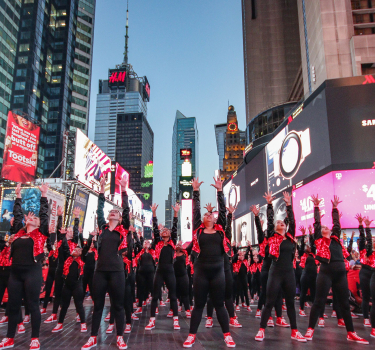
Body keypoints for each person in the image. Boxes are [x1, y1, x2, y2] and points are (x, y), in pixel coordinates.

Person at [304, 195, 369, 344]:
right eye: (325, 228)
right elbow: (317, 223)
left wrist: (334, 208)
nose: (328, 228)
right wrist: (316, 207)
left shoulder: (335, 238)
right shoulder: (320, 240)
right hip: (325, 273)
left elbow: (337, 224)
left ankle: (351, 332)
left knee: (345, 304)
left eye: (329, 227)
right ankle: (310, 329)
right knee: (318, 302)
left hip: (340, 275)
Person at [183, 177, 236, 348]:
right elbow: (195, 210)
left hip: (218, 272)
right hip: (201, 272)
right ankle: (191, 335)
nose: (207, 215)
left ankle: (227, 335)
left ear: (214, 220)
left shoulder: (220, 230)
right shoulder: (198, 229)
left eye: (210, 215)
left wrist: (220, 191)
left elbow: (222, 212)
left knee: (219, 305)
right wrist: (195, 191)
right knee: (198, 305)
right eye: (206, 215)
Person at [0, 182, 50, 350]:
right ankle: (9, 338)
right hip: (15, 273)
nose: (31, 217)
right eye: (29, 216)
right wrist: (18, 196)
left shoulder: (41, 233)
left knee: (33, 305)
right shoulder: (18, 232)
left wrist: (44, 195)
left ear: (38, 224)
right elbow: (17, 212)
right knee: (13, 306)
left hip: (32, 273)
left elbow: (44, 215)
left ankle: (35, 338)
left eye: (34, 218)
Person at [81, 176, 129, 350]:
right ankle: (93, 337)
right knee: (98, 306)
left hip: (117, 272)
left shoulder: (122, 229)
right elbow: (100, 209)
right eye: (112, 212)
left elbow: (126, 209)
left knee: (118, 306)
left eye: (116, 212)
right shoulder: (102, 228)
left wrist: (123, 190)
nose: (113, 212)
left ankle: (120, 337)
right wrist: (102, 189)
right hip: (99, 272)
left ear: (120, 218)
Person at [255, 191, 306, 342]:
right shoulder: (272, 237)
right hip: (275, 272)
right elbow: (270, 221)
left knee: (290, 303)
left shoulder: (290, 237)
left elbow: (293, 220)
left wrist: (289, 204)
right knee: (269, 302)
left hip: (289, 273)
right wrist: (269, 204)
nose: (280, 223)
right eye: (278, 223)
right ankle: (261, 330)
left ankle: (295, 331)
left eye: (282, 222)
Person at [250, 204, 288, 327]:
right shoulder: (263, 241)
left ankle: (279, 317)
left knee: (278, 294)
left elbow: (282, 226)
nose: (268, 233)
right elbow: (259, 230)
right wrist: (256, 217)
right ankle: (269, 316)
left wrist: (288, 215)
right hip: (266, 270)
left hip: (277, 268)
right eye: (266, 232)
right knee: (267, 293)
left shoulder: (275, 239)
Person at [145, 202, 180, 331]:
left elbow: (175, 227)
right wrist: (154, 213)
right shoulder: (158, 243)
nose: (165, 230)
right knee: (155, 296)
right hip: (159, 271)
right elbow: (155, 227)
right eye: (163, 230)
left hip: (170, 271)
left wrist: (176, 213)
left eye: (167, 230)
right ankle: (152, 320)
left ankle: (176, 320)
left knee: (173, 296)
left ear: (170, 234)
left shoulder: (172, 242)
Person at [44, 206, 80, 323]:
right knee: (57, 292)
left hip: (71, 271)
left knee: (74, 294)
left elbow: (76, 231)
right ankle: (54, 314)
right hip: (60, 269)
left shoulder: (74, 242)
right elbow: (60, 230)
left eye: (70, 230)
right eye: (67, 230)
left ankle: (79, 313)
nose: (68, 231)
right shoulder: (61, 241)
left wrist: (76, 217)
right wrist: (59, 216)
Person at [51, 242, 90, 333]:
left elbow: (86, 247)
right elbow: (63, 248)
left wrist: (89, 237)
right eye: (74, 249)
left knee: (79, 305)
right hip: (67, 286)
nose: (76, 250)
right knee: (64, 306)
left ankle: (83, 324)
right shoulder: (67, 259)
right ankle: (60, 324)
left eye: (78, 249)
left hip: (77, 286)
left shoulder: (81, 260)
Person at [356, 214, 372, 328]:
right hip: (365, 273)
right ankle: (366, 318)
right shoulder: (363, 250)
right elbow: (365, 239)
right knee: (365, 297)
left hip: (373, 273)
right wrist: (363, 226)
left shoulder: (372, 252)